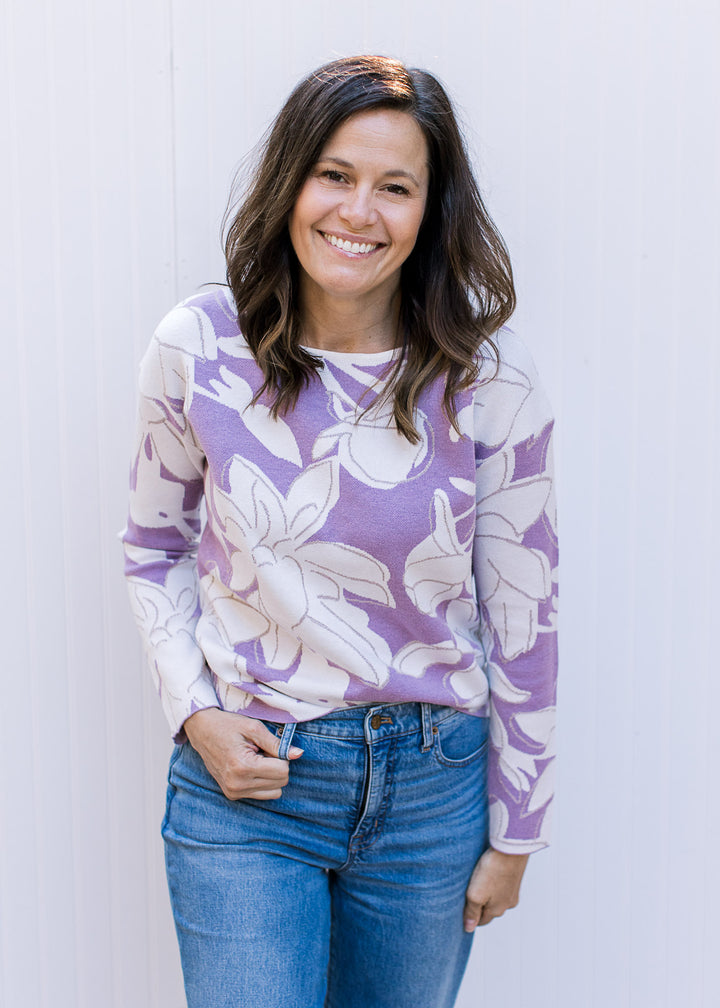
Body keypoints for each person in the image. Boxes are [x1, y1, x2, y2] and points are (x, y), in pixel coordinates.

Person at [122, 54, 558, 1008]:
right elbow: (152, 549)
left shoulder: (491, 378)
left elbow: (523, 610)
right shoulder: (199, 346)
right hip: (251, 789)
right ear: (291, 182)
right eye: (335, 175)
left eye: (395, 188)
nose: (359, 212)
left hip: (434, 799)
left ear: (429, 211)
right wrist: (195, 710)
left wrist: (518, 832)